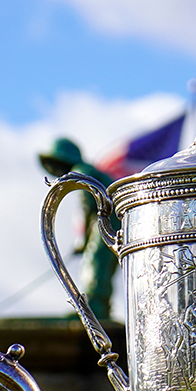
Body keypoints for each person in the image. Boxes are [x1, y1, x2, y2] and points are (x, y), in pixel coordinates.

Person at [38, 138, 118, 322]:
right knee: (99, 262)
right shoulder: (88, 171)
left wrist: (83, 240)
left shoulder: (82, 172)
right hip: (111, 221)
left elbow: (88, 205)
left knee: (95, 260)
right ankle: (99, 307)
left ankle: (96, 309)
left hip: (107, 222)